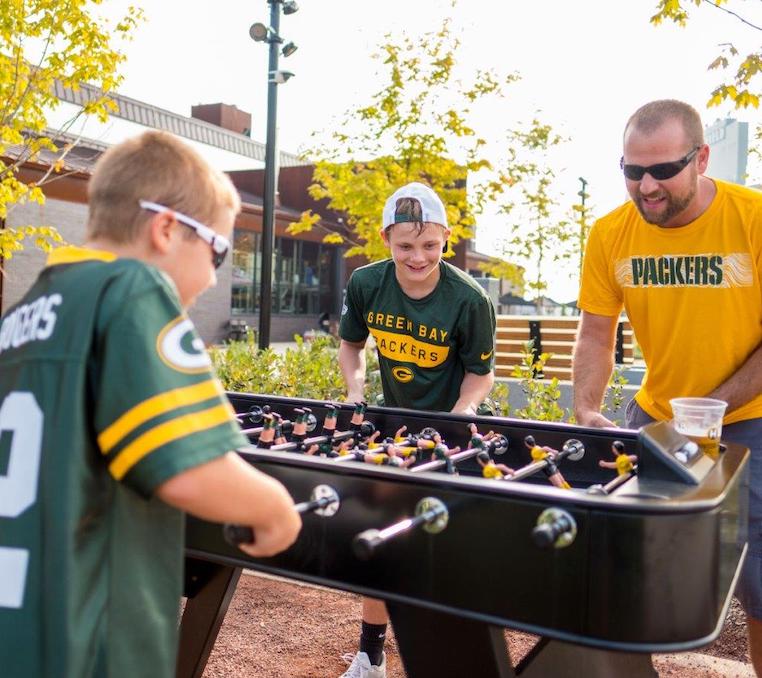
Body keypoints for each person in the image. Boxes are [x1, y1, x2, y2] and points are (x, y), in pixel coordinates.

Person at [0, 131, 302, 678]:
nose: (213, 276)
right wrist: (274, 507)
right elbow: (188, 467)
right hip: (87, 644)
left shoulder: (24, 314)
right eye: (217, 250)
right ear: (166, 229)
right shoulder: (132, 289)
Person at [572, 99, 762, 675]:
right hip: (658, 417)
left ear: (701, 158)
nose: (646, 186)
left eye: (662, 170)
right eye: (632, 171)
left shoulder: (752, 218)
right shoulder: (611, 234)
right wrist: (584, 404)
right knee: (630, 571)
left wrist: (713, 406)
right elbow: (597, 333)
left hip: (752, 416)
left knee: (759, 582)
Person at [338, 181, 496, 677]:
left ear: (446, 238)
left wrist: (463, 411)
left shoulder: (469, 299)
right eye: (405, 245)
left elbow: (482, 371)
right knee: (381, 541)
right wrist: (355, 391)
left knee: (450, 554)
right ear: (387, 238)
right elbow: (351, 346)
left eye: (430, 245)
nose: (418, 257)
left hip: (456, 435)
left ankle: (459, 660)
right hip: (395, 429)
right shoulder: (366, 284)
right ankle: (371, 657)